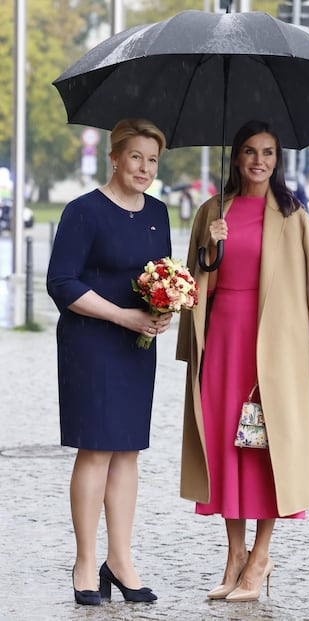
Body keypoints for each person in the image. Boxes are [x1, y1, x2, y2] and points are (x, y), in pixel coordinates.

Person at [176, 120, 309, 602]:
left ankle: (261, 558)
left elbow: (308, 292)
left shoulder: (292, 214)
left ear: (277, 159)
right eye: (248, 152)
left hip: (274, 349)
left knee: (266, 449)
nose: (258, 161)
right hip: (223, 342)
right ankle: (235, 556)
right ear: (236, 158)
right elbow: (194, 288)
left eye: (267, 152)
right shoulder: (211, 211)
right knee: (226, 447)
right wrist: (209, 249)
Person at [47, 118, 172, 606]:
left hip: (137, 346)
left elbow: (160, 275)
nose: (145, 168)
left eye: (153, 160)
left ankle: (119, 560)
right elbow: (62, 283)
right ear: (115, 157)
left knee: (127, 452)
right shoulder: (83, 211)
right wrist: (122, 315)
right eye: (136, 156)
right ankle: (84, 562)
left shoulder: (158, 212)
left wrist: (164, 309)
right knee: (96, 450)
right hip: (92, 342)